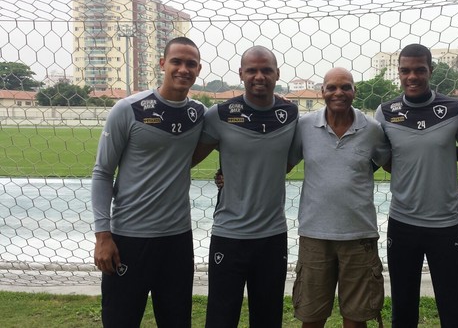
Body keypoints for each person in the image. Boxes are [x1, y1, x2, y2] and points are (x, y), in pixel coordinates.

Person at [91, 36, 205, 327]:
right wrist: (103, 235)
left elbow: (227, 136)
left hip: (177, 239)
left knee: (177, 320)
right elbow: (102, 172)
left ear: (199, 69)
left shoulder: (198, 114)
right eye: (176, 61)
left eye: (190, 64)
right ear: (162, 63)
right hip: (129, 238)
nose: (183, 69)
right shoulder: (128, 109)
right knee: (121, 320)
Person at [375, 43, 458, 328]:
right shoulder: (385, 113)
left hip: (445, 226)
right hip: (402, 224)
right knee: (403, 309)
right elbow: (381, 159)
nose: (413, 76)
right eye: (406, 70)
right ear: (398, 73)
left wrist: (442, 159)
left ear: (430, 71)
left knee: (453, 310)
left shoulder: (455, 109)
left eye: (420, 70)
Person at [192, 46, 298, 328]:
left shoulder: (290, 114)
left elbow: (284, 164)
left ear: (277, 74)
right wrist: (226, 173)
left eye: (266, 70)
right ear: (241, 74)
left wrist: (246, 172)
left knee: (267, 318)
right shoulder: (219, 114)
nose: (259, 76)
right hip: (229, 234)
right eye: (252, 70)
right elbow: (187, 158)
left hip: (272, 235)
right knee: (221, 317)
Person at [288, 67, 390, 328]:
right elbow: (280, 163)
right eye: (332, 87)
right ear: (322, 91)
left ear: (355, 91)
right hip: (314, 235)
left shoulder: (373, 129)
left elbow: (390, 163)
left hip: (359, 236)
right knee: (311, 317)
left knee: (356, 317)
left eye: (346, 87)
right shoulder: (304, 127)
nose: (339, 93)